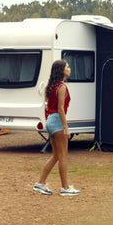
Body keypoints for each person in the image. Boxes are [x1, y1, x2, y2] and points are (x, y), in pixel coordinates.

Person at [33, 60, 80, 196]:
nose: (69, 69)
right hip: (57, 122)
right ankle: (65, 188)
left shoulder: (50, 86)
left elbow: (48, 106)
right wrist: (66, 127)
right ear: (62, 71)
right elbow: (60, 108)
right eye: (67, 67)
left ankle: (40, 183)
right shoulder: (62, 87)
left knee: (56, 156)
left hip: (50, 121)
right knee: (63, 155)